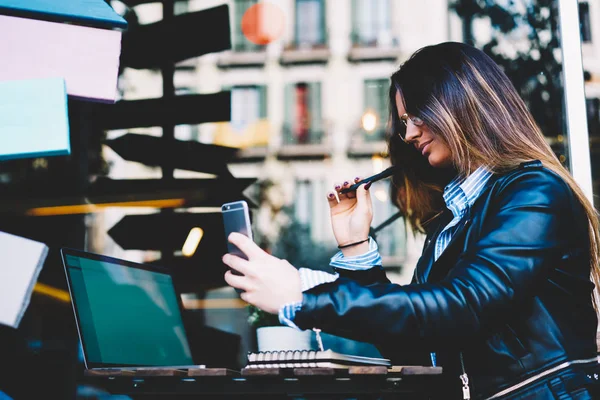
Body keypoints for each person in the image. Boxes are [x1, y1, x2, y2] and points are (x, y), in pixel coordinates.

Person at [222, 42, 600, 399]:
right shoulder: (451, 223)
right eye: (404, 122)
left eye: (417, 115)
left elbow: (462, 306)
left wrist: (302, 293)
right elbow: (417, 347)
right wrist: (357, 251)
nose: (409, 133)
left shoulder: (535, 191)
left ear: (463, 104)